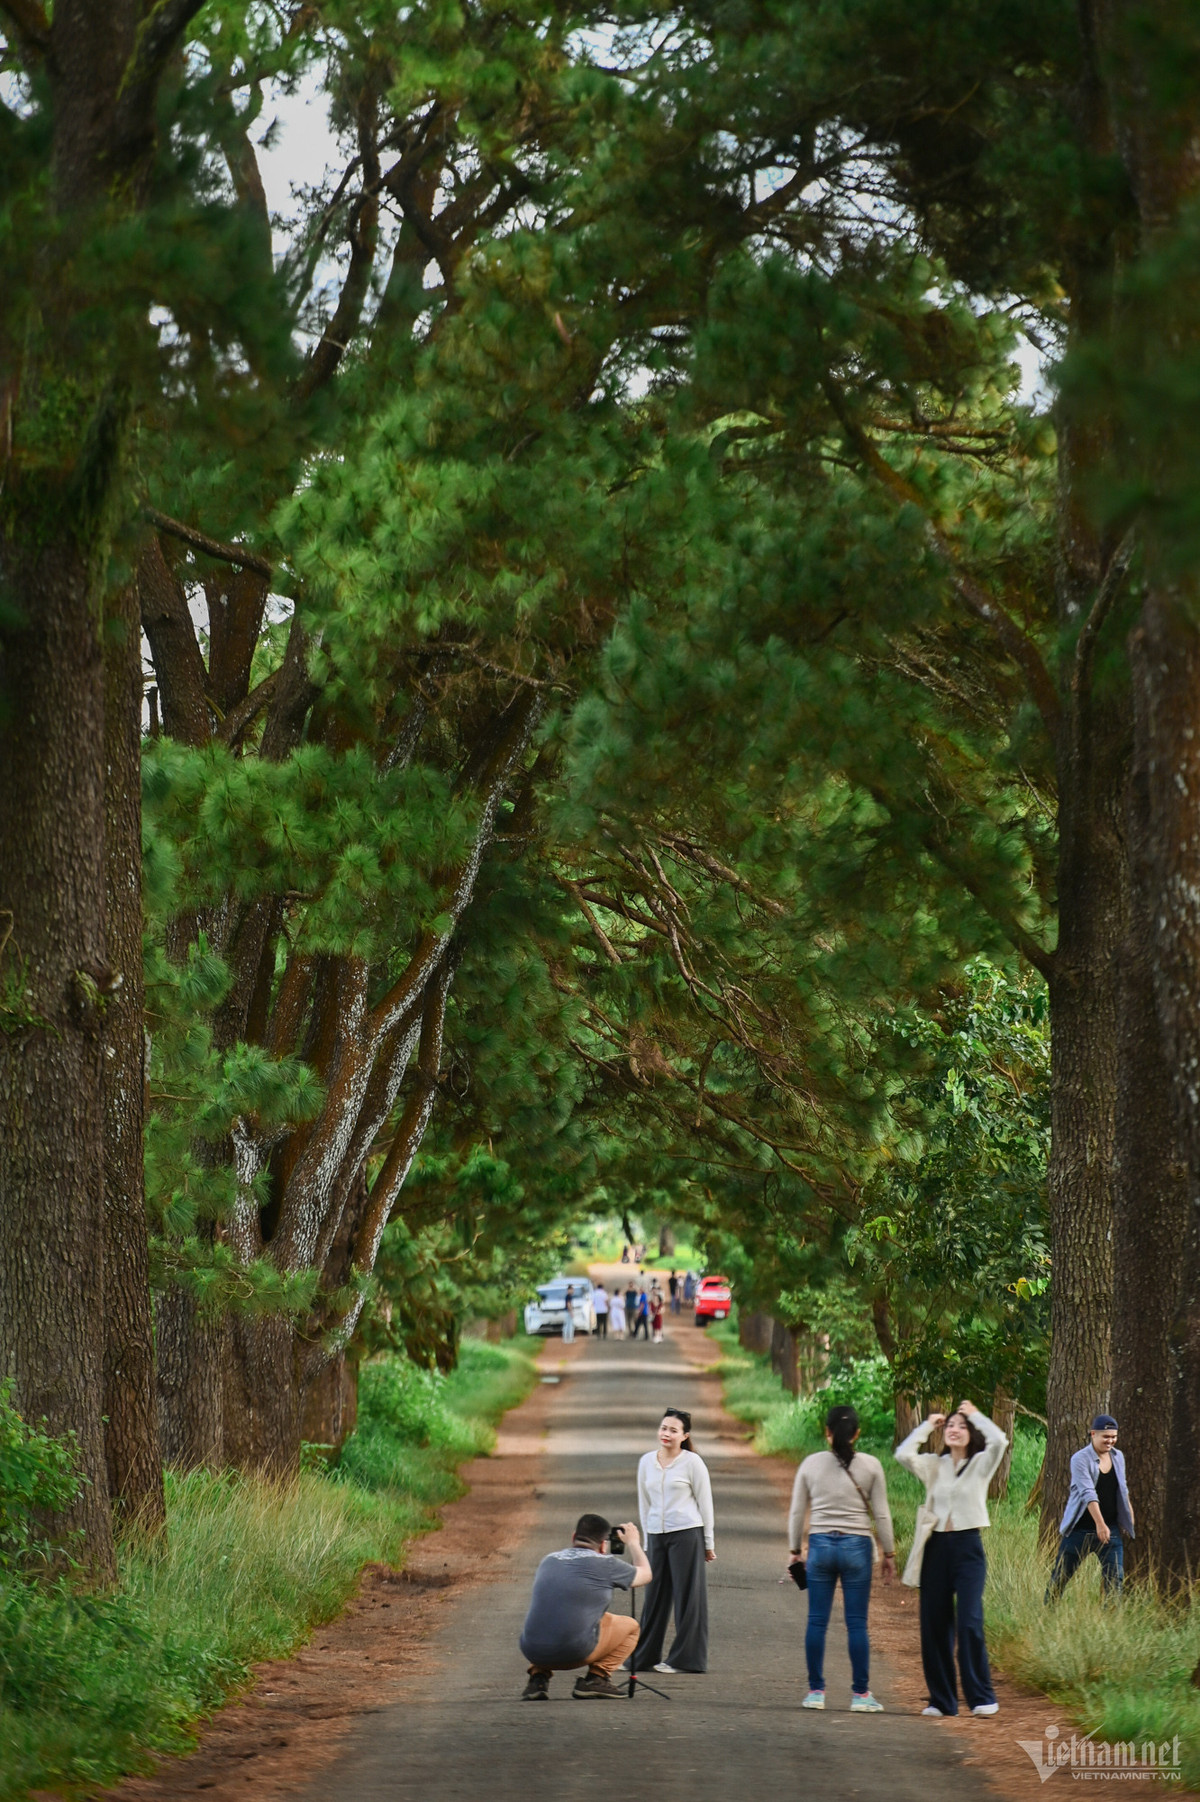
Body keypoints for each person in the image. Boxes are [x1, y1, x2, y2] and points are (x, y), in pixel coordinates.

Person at [895, 1399, 1008, 1719]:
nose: (954, 1430)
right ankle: (942, 1701)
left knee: (969, 1621)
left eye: (961, 1426)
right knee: (934, 1624)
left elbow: (1000, 1441)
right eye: (950, 1425)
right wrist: (927, 1426)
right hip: (935, 1548)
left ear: (971, 1433)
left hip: (968, 1548)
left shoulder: (982, 1464)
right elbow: (903, 1454)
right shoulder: (935, 1465)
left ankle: (981, 1697)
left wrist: (975, 1414)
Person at [788, 1403, 895, 1714]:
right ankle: (860, 1694)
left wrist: (795, 1550)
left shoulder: (810, 1464)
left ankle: (816, 1692)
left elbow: (797, 1512)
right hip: (857, 1547)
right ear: (857, 1433)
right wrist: (889, 1553)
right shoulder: (872, 1466)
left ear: (827, 1431)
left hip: (820, 1545)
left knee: (817, 1621)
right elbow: (882, 1514)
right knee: (857, 1623)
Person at [520, 1513, 651, 1699]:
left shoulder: (548, 1560)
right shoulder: (606, 1564)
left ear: (574, 1536)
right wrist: (633, 1543)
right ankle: (596, 1678)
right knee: (631, 1626)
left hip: (532, 1650)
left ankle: (537, 1679)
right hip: (574, 1652)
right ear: (603, 1545)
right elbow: (646, 1574)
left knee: (554, 1613)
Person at [632, 1407, 715, 1674]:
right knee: (654, 1595)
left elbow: (705, 1504)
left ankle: (686, 1660)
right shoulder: (647, 1462)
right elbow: (644, 1504)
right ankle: (643, 1657)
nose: (666, 1433)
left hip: (686, 1533)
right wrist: (647, 1541)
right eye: (664, 1428)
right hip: (656, 1535)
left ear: (684, 1435)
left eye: (673, 1430)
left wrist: (708, 1543)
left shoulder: (692, 1463)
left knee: (687, 1597)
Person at [1046, 1415, 1134, 1601]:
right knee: (1060, 1577)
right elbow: (1088, 1493)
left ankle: (1112, 1616)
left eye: (1114, 1437)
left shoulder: (1118, 1457)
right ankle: (1048, 1611)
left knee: (1115, 1580)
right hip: (1080, 1530)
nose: (1110, 1441)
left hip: (1111, 1530)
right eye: (1106, 1437)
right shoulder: (1080, 1459)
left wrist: (1129, 1517)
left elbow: (1123, 1488)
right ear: (1093, 1434)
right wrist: (1099, 1524)